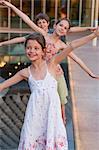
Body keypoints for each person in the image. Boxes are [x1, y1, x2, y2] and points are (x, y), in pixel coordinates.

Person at [0, 31, 99, 150]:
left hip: (52, 118)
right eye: (29, 48)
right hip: (34, 119)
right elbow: (3, 85)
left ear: (43, 50)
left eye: (36, 48)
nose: (32, 51)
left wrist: (93, 35)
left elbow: (72, 45)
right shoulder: (25, 73)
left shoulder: (52, 64)